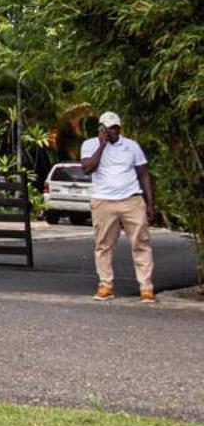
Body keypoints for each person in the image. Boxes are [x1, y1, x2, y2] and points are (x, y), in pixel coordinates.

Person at [80, 111, 155, 303]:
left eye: (116, 128)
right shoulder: (89, 145)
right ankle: (106, 285)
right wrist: (102, 145)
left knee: (141, 242)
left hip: (131, 199)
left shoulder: (131, 146)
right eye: (109, 128)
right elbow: (88, 168)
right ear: (102, 128)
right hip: (103, 201)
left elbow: (143, 174)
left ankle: (146, 287)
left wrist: (149, 203)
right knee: (103, 245)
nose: (114, 131)